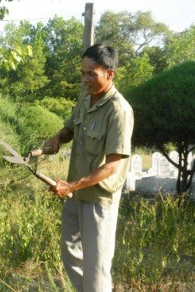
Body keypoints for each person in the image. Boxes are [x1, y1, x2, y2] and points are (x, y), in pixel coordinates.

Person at [43, 43, 134, 292]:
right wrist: (56, 140)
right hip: (77, 194)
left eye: (91, 74)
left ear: (110, 73)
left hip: (99, 198)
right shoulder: (85, 96)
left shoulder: (119, 111)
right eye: (82, 73)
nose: (85, 79)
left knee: (97, 267)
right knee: (70, 252)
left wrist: (71, 185)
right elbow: (71, 128)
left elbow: (112, 166)